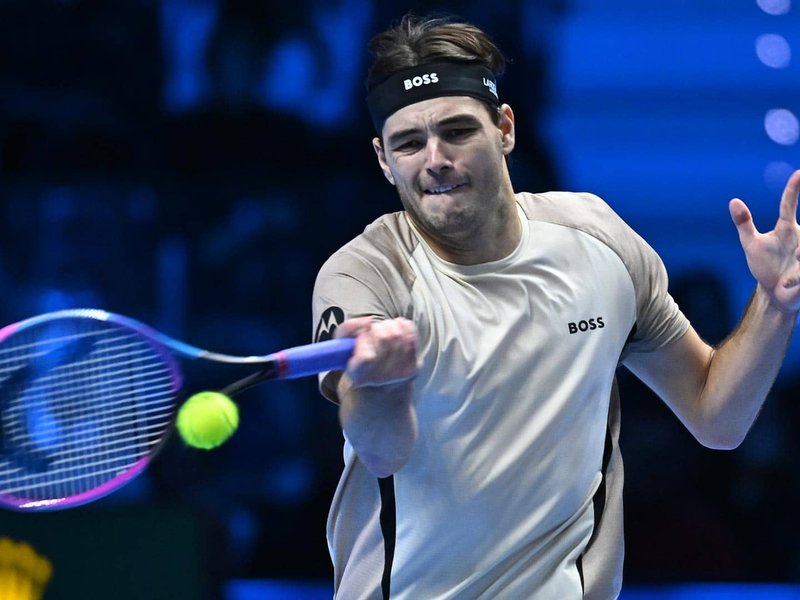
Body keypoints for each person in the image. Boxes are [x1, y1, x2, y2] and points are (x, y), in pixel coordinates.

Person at [311, 13, 800, 600]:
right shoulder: (362, 274)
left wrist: (775, 304)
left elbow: (717, 417)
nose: (434, 159)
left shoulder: (599, 240)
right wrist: (381, 385)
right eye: (408, 144)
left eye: (458, 131)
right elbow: (381, 452)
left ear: (505, 129)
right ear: (384, 160)